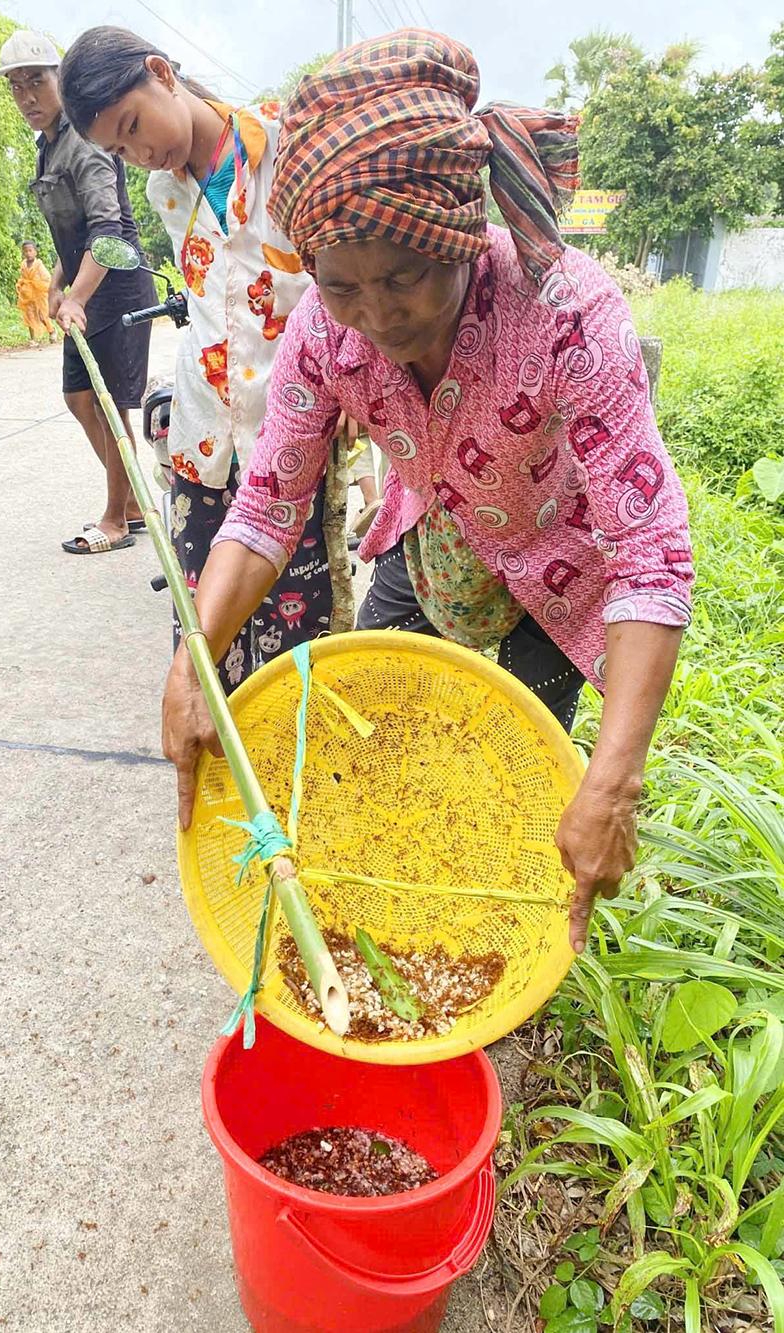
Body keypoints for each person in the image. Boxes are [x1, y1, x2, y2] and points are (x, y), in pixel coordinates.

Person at [160, 31, 695, 954]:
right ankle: (397, 923)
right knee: (389, 745)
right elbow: (266, 510)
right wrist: (193, 659)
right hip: (437, 538)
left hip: (562, 576)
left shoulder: (566, 311)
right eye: (341, 286)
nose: (376, 315)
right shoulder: (324, 338)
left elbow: (648, 552)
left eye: (405, 277)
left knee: (511, 776)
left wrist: (614, 780)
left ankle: (488, 931)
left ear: (458, 238)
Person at [59, 27, 339, 683]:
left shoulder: (284, 149)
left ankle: (285, 781)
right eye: (118, 149)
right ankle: (214, 776)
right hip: (200, 441)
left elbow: (324, 289)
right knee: (203, 640)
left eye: (132, 126)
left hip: (289, 436)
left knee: (295, 640)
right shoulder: (165, 193)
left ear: (161, 73)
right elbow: (212, 307)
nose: (139, 152)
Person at [0, 29, 154, 555]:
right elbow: (76, 235)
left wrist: (78, 297)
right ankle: (129, 502)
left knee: (111, 408)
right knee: (78, 398)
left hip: (118, 286)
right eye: (17, 87)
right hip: (86, 287)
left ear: (60, 78)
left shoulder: (84, 143)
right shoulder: (48, 147)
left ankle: (116, 519)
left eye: (36, 82)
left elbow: (108, 232)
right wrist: (59, 285)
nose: (27, 98)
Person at [15, 241, 57, 343]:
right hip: (28, 295)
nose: (28, 253)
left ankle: (51, 331)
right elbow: (23, 277)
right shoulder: (23, 265)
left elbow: (46, 277)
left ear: (35, 252)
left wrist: (38, 284)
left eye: (30, 251)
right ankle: (32, 339)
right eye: (25, 251)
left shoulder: (38, 265)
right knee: (29, 315)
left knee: (42, 315)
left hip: (39, 294)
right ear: (23, 253)